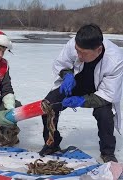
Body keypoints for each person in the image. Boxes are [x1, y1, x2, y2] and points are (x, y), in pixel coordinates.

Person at [39, 24, 123, 163]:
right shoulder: (75, 43)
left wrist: (82, 101)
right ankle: (51, 144)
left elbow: (108, 94)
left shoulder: (115, 60)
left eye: (83, 53)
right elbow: (61, 63)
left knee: (105, 115)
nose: (78, 55)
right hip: (73, 84)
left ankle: (107, 152)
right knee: (48, 106)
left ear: (98, 50)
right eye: (77, 51)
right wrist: (67, 75)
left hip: (100, 90)